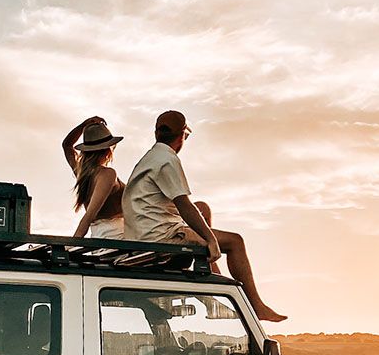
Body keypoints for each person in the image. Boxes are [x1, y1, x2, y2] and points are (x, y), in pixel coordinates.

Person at [122, 110, 286, 322]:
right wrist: (210, 239)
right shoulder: (167, 160)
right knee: (235, 242)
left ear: (156, 134)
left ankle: (213, 275)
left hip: (142, 234)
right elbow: (184, 205)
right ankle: (256, 306)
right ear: (182, 136)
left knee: (202, 208)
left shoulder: (149, 158)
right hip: (159, 239)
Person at [62, 116, 126, 239]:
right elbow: (89, 215)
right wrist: (72, 243)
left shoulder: (83, 173)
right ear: (108, 150)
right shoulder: (107, 174)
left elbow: (67, 145)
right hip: (116, 236)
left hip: (98, 235)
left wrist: (84, 125)